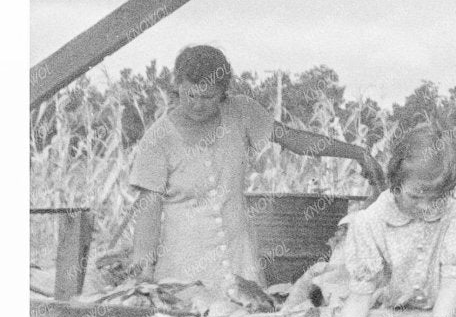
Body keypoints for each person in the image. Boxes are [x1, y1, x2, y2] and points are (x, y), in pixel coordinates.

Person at [124, 44, 379, 302]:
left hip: (239, 260)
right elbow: (149, 207)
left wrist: (357, 153)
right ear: (177, 85)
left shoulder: (242, 112)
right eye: (191, 95)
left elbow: (293, 140)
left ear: (224, 93)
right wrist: (144, 271)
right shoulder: (157, 139)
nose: (198, 105)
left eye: (208, 97)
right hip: (183, 268)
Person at [333, 123, 456, 317]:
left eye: (436, 198)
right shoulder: (371, 222)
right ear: (396, 185)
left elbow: (451, 284)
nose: (425, 206)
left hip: (449, 310)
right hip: (395, 310)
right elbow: (361, 295)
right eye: (414, 197)